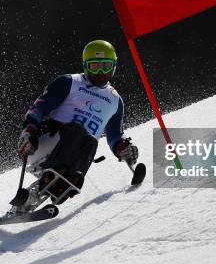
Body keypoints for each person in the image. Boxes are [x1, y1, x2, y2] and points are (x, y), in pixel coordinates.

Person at [14, 40, 139, 213]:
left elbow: (115, 136)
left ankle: (64, 185)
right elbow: (39, 108)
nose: (101, 72)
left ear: (114, 66)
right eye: (95, 66)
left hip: (76, 156)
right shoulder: (69, 82)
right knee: (78, 131)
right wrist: (29, 130)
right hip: (46, 143)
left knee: (92, 142)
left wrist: (124, 147)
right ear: (85, 65)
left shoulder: (115, 101)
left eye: (106, 66)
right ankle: (50, 177)